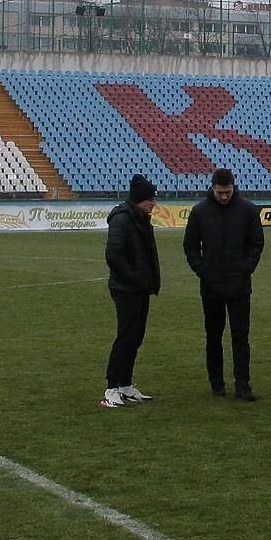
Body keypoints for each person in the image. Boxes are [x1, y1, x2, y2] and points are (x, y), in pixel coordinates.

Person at [183, 167, 265, 401]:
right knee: (213, 336)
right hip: (211, 286)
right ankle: (216, 382)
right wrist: (202, 270)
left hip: (239, 285)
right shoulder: (200, 211)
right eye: (220, 192)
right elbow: (190, 245)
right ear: (212, 188)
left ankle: (243, 384)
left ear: (233, 187)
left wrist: (246, 267)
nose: (224, 196)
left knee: (241, 337)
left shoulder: (247, 210)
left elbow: (256, 242)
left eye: (227, 192)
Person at [102, 174, 162, 408]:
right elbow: (113, 255)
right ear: (139, 199)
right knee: (126, 336)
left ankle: (125, 384)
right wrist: (135, 278)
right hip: (126, 289)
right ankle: (111, 387)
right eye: (150, 199)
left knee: (136, 336)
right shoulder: (122, 219)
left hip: (140, 288)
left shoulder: (140, 218)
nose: (153, 204)